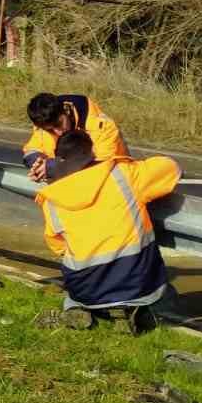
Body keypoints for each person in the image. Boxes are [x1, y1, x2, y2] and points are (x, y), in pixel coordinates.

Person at [33, 129, 181, 332]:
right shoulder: (123, 175)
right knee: (166, 294)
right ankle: (130, 312)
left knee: (75, 287)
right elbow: (170, 167)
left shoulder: (51, 198)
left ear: (60, 160)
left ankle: (79, 308)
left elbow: (57, 246)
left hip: (84, 287)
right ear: (91, 152)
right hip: (136, 281)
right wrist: (112, 159)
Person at [23, 92, 129, 182]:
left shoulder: (102, 126)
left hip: (114, 184)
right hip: (73, 187)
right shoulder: (46, 122)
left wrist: (55, 167)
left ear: (66, 110)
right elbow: (31, 151)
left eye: (59, 124)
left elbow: (101, 168)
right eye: (50, 130)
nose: (58, 132)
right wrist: (39, 165)